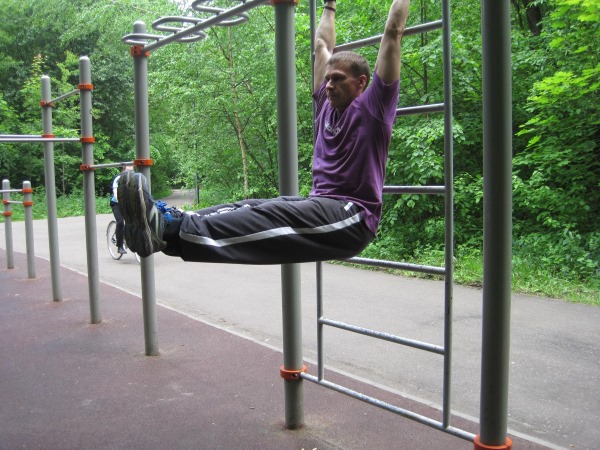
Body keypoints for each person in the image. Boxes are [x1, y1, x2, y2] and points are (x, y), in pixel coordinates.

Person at [119, 0, 410, 262]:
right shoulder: (325, 102)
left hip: (353, 216)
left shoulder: (375, 107)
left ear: (361, 83)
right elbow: (322, 45)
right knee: (249, 206)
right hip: (320, 203)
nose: (329, 84)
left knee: (271, 214)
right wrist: (329, 5)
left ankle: (170, 229)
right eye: (328, 78)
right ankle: (165, 224)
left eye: (338, 79)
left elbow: (393, 32)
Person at [109, 165, 134, 255]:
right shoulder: (118, 179)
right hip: (117, 203)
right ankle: (120, 246)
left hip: (128, 203)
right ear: (123, 170)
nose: (129, 173)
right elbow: (115, 193)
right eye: (128, 171)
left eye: (131, 171)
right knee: (120, 222)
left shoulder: (133, 179)